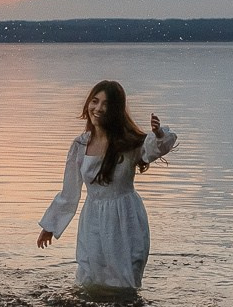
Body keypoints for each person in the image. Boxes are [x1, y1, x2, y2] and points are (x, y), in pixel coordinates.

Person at [37, 80, 178, 291]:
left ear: (116, 110)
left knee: (125, 280)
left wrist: (158, 134)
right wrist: (50, 226)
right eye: (95, 101)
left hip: (126, 218)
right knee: (90, 279)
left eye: (106, 104)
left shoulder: (128, 143)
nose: (99, 108)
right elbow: (69, 192)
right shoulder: (80, 144)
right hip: (93, 218)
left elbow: (156, 148)